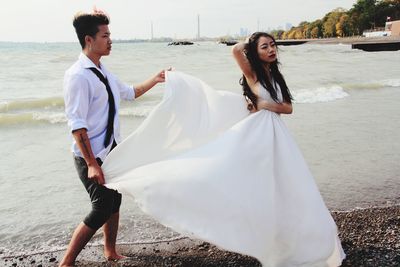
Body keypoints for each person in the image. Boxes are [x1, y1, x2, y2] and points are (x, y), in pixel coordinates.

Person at [101, 32, 345, 266]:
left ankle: (293, 242)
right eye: (265, 46)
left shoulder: (276, 77)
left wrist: (262, 103)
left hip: (277, 136)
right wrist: (251, 41)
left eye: (273, 45)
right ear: (256, 52)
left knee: (288, 186)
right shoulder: (253, 75)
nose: (271, 49)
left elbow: (288, 108)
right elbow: (236, 50)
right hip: (257, 135)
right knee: (233, 179)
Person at [60, 10, 167, 267]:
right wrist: (92, 164)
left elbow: (130, 93)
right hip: (91, 156)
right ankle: (66, 262)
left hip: (111, 150)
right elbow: (77, 124)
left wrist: (157, 78)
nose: (110, 40)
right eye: (105, 35)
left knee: (114, 202)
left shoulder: (103, 71)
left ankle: (110, 251)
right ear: (89, 39)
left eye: (110, 35)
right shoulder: (77, 76)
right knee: (101, 208)